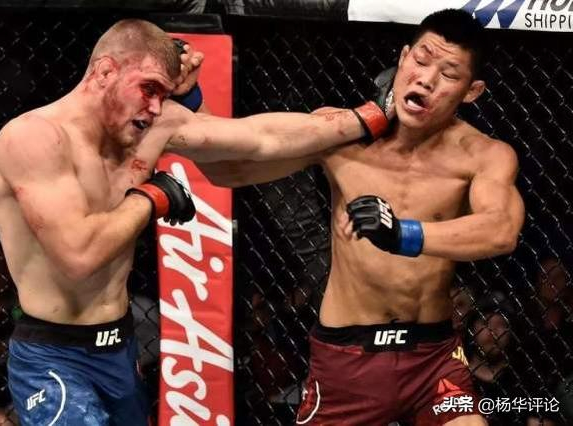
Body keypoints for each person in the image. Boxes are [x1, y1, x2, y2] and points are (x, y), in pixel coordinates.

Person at [0, 19, 388, 425]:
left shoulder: (148, 126)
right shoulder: (35, 138)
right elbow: (78, 255)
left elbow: (257, 139)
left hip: (119, 348)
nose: (155, 107)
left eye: (163, 94)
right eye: (148, 89)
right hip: (53, 356)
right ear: (105, 71)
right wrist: (151, 198)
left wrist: (370, 117)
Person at [201, 9, 525, 425]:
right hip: (347, 357)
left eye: (448, 74)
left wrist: (401, 234)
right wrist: (193, 99)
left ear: (472, 91)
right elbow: (227, 170)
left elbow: (501, 230)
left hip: (433, 358)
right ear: (403, 58)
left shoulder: (483, 155)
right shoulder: (343, 134)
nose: (426, 79)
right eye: (421, 60)